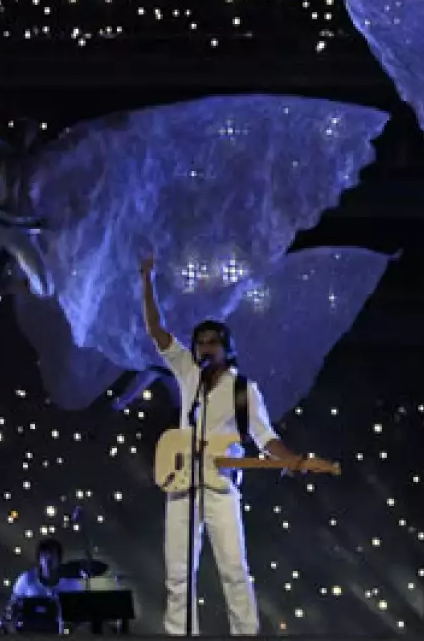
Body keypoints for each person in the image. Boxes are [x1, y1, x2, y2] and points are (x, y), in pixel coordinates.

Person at [139, 255, 311, 635]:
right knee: (179, 572)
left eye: (213, 343)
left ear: (228, 349)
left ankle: (244, 633)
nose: (204, 348)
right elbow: (156, 329)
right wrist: (146, 277)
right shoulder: (188, 374)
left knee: (233, 569)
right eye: (200, 342)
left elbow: (265, 437)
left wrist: (291, 459)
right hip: (182, 485)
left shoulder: (242, 390)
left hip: (221, 487)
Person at [6, 538, 80, 631]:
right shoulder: (26, 579)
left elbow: (80, 614)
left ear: (59, 559)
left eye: (52, 555)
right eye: (44, 555)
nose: (48, 560)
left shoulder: (72, 584)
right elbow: (13, 604)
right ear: (39, 559)